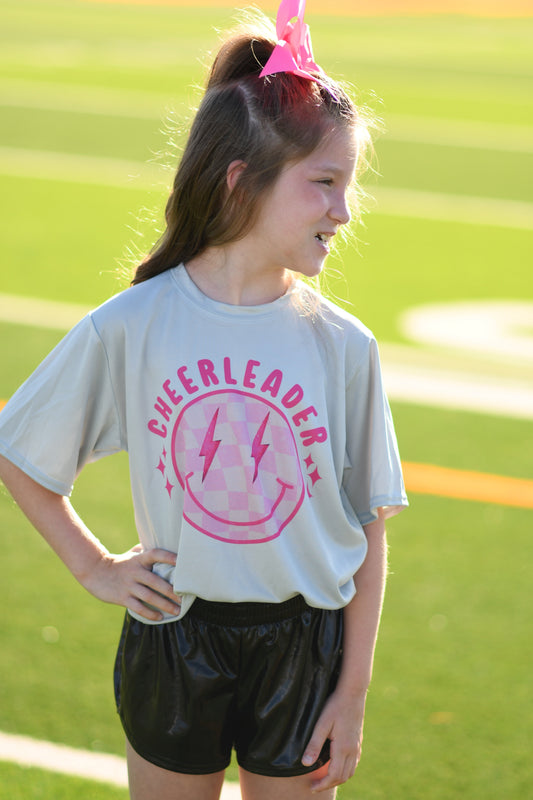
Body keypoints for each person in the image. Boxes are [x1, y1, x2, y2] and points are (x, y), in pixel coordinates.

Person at [0, 1, 408, 797]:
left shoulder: (344, 345)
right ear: (239, 181)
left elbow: (370, 530)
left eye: (347, 187)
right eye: (324, 184)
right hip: (174, 637)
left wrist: (351, 694)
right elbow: (21, 452)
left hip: (305, 648)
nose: (343, 211)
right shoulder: (135, 323)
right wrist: (95, 570)